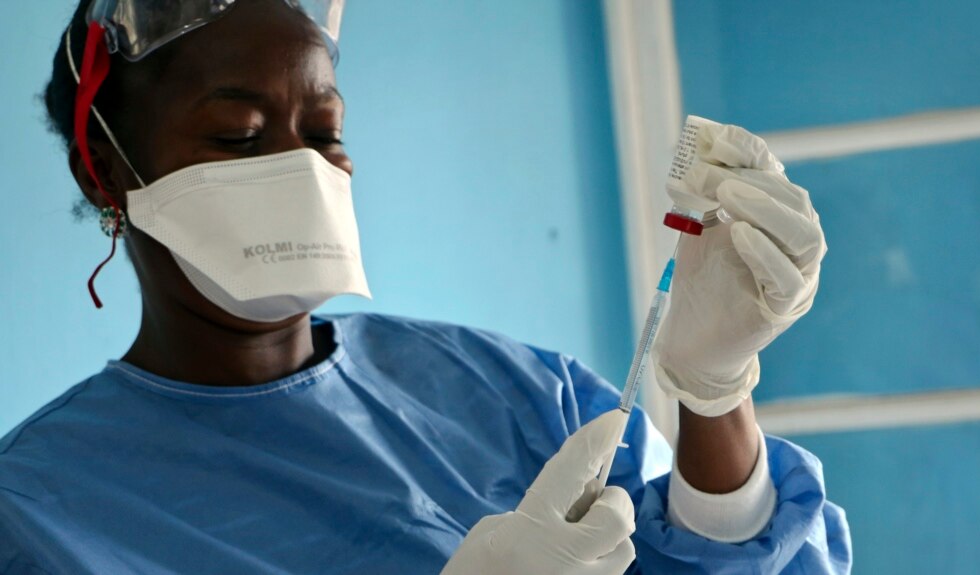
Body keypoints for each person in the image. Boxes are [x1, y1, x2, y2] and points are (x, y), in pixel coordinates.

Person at [0, 1, 851, 573]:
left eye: (325, 133)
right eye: (237, 135)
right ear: (106, 169)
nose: (299, 168)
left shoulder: (515, 392)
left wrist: (714, 393)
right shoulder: (39, 512)